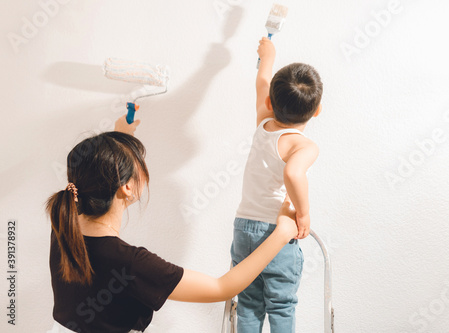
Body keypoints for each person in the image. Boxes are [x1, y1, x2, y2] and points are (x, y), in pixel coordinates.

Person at [45, 115, 299, 333]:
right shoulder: (131, 263)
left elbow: (99, 173)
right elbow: (222, 288)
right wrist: (281, 233)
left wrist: (121, 135)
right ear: (127, 187)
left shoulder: (64, 228)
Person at [230, 37, 323, 333]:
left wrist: (267, 55)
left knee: (248, 302)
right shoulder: (303, 146)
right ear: (317, 109)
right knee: (281, 305)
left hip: (243, 227)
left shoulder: (262, 122)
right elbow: (294, 175)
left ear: (271, 102)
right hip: (275, 233)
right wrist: (303, 213)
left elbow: (262, 82)